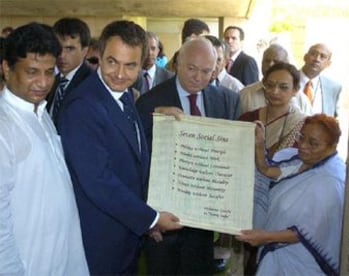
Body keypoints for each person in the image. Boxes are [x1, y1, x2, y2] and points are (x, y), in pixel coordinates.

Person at [57, 20, 182, 275]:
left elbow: (120, 136)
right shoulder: (82, 105)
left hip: (123, 237)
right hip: (98, 242)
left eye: (130, 65)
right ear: (98, 56)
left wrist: (152, 116)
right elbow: (98, 180)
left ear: (144, 63)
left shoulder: (123, 94)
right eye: (112, 61)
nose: (120, 73)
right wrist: (151, 219)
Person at [136, 37, 240, 275]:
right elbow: (138, 164)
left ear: (215, 70)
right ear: (177, 63)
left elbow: (229, 160)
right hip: (163, 220)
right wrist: (149, 218)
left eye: (206, 71)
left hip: (204, 221)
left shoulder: (225, 101)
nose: (198, 77)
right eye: (192, 68)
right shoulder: (150, 102)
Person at [0, 22, 89, 276]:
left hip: (60, 259)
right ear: (6, 68)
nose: (42, 82)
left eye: (49, 72)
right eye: (31, 71)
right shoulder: (4, 126)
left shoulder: (40, 112)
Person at [237, 114, 345, 275]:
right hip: (277, 252)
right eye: (301, 137)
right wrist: (259, 145)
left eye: (313, 143)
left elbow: (306, 232)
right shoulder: (301, 160)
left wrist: (265, 237)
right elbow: (267, 170)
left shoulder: (330, 181)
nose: (303, 146)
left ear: (333, 146)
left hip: (302, 259)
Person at [239, 62, 305, 158]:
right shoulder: (248, 119)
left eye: (283, 87)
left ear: (295, 90)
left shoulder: (302, 124)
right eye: (270, 85)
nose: (275, 91)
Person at [46, 17, 93, 125]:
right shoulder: (53, 81)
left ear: (85, 51)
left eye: (70, 49)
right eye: (58, 48)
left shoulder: (91, 83)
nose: (62, 55)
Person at [239, 43, 290, 113]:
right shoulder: (246, 94)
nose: (270, 65)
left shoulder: (298, 98)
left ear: (286, 65)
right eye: (267, 61)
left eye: (276, 61)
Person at [296, 43, 342, 117]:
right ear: (305, 57)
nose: (317, 59)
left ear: (328, 64)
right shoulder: (288, 80)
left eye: (322, 57)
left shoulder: (333, 87)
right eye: (313, 54)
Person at [132, 31, 174, 96]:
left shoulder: (169, 78)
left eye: (153, 48)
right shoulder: (130, 75)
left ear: (158, 51)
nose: (149, 53)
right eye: (146, 48)